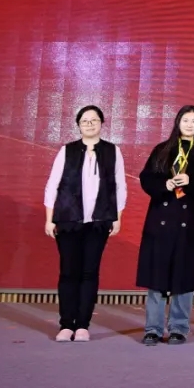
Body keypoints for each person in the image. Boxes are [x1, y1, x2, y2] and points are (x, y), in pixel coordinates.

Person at [135, 105, 194, 345]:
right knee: (157, 276)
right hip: (160, 221)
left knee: (184, 276)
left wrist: (191, 183)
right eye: (186, 120)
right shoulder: (162, 149)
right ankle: (153, 328)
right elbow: (146, 178)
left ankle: (178, 328)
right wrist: (166, 184)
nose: (190, 125)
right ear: (178, 122)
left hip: (189, 221)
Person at [43, 105, 127, 343]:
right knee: (69, 272)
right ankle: (66, 325)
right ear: (78, 125)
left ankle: (82, 325)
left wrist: (118, 217)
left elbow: (120, 186)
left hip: (99, 221)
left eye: (94, 120)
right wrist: (49, 219)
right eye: (85, 121)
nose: (89, 124)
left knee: (90, 272)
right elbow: (52, 185)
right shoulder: (67, 150)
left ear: (101, 123)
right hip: (69, 220)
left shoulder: (112, 151)